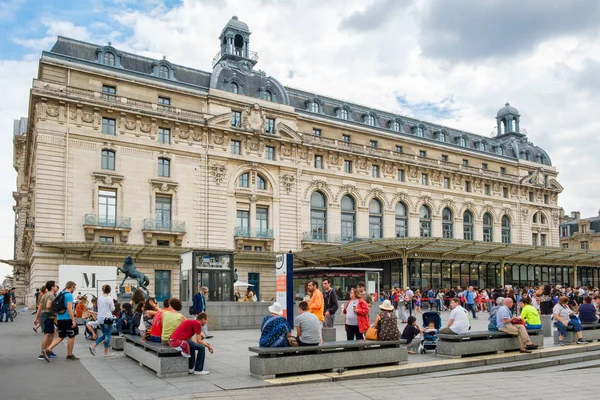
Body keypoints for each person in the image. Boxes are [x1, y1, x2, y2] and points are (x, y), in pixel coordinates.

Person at [43, 281, 79, 361]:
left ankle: (48, 350)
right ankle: (69, 355)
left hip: (60, 318)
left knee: (61, 336)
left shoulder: (60, 293)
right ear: (72, 287)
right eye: (74, 287)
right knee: (72, 336)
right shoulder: (69, 295)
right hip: (67, 318)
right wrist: (73, 320)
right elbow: (69, 308)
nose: (74, 289)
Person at [89, 285, 115, 357]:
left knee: (104, 334)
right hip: (107, 318)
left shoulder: (99, 298)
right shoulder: (109, 298)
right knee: (108, 335)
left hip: (100, 318)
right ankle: (95, 347)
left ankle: (103, 351)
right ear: (109, 290)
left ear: (102, 290)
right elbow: (112, 309)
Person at [36, 281, 58, 361]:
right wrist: (55, 311)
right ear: (52, 287)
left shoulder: (44, 295)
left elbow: (40, 307)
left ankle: (49, 350)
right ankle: (42, 354)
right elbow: (48, 306)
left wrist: (37, 318)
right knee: (47, 334)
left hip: (44, 315)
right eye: (55, 286)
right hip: (48, 316)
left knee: (52, 333)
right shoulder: (51, 295)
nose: (56, 287)